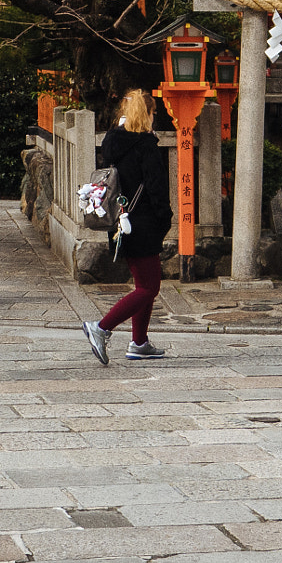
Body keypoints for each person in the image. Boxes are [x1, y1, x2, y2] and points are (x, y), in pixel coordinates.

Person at [81, 89, 174, 364]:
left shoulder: (111, 141)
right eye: (153, 112)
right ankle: (101, 328)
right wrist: (165, 218)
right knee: (148, 288)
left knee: (145, 284)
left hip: (120, 219)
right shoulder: (146, 145)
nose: (155, 117)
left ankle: (139, 342)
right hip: (143, 221)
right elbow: (156, 188)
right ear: (146, 114)